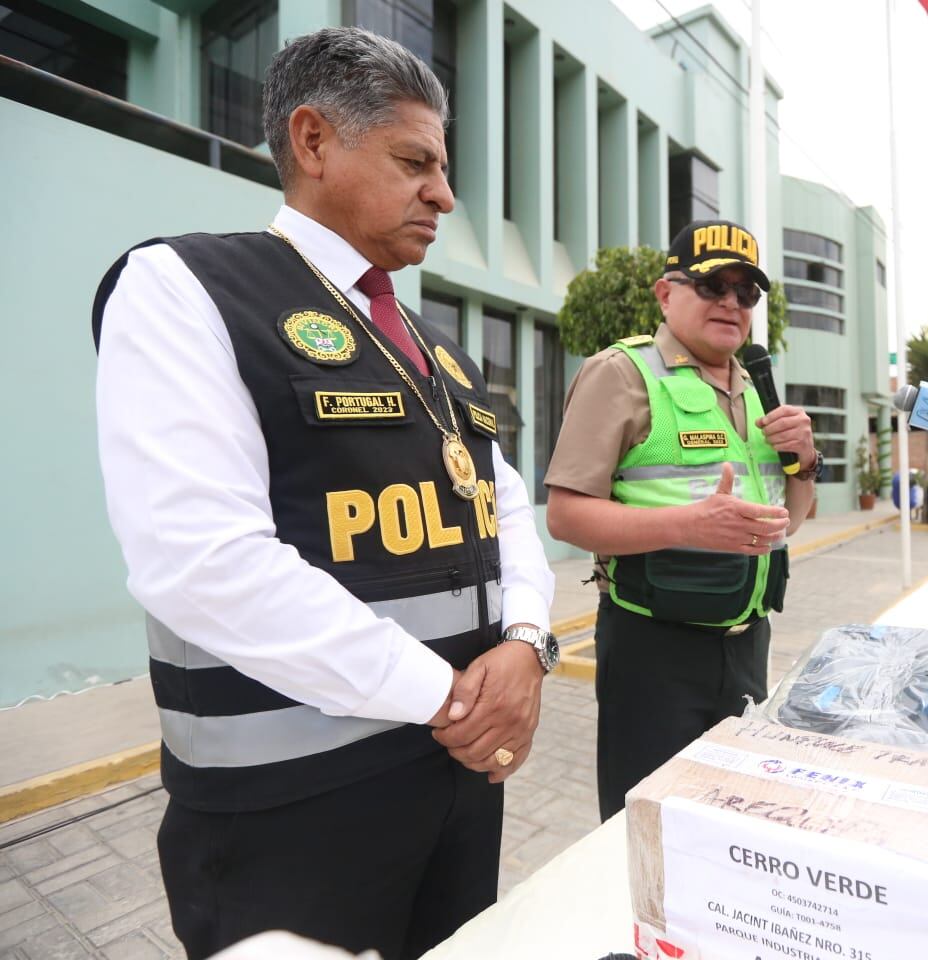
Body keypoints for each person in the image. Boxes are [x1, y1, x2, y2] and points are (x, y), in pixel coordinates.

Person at [93, 28, 556, 959]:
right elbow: (200, 561)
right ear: (312, 142)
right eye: (414, 161)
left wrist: (529, 645)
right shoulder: (188, 288)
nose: (445, 194)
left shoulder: (432, 346)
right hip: (291, 813)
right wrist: (456, 700)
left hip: (456, 783)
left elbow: (502, 507)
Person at [544, 219, 820, 820]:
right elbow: (565, 516)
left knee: (730, 824)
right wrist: (687, 526)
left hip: (748, 643)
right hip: (654, 651)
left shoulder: (756, 390)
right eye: (711, 285)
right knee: (649, 833)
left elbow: (790, 521)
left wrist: (805, 463)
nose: (731, 302)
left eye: (746, 292)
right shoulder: (622, 374)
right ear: (666, 294)